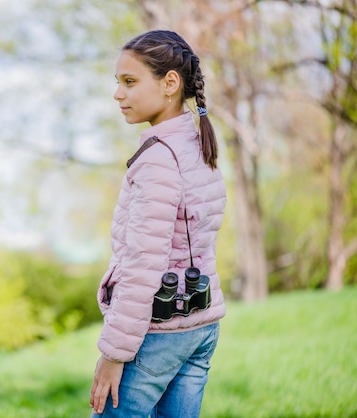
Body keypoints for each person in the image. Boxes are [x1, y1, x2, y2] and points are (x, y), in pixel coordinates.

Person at [89, 30, 227, 418]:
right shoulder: (199, 144)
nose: (118, 94)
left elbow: (143, 264)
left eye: (130, 82)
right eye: (118, 82)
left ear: (170, 83)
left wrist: (114, 355)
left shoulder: (158, 159)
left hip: (160, 332)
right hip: (201, 325)